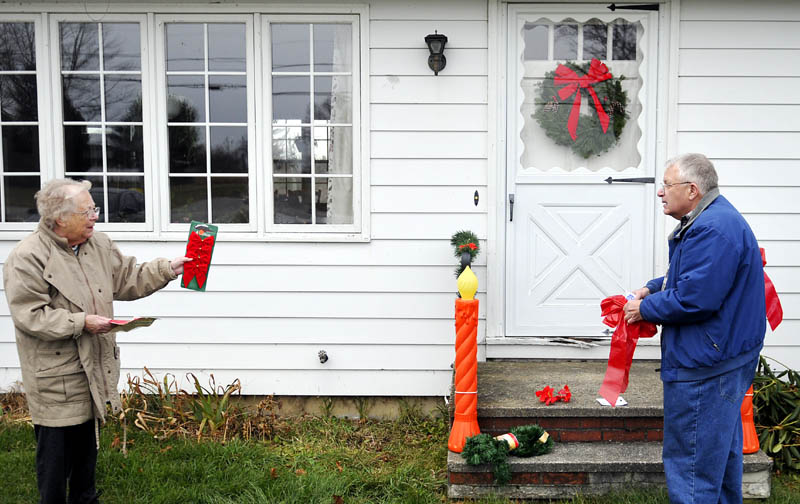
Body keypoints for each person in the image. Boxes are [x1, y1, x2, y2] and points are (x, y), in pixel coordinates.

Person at [3, 179, 191, 504]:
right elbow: (30, 316)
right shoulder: (27, 257)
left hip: (94, 371)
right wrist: (82, 322)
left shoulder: (97, 244)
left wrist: (168, 269)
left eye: (95, 209)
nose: (95, 217)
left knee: (85, 468)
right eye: (88, 211)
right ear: (60, 219)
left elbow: (128, 278)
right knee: (54, 472)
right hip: (56, 378)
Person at [623, 153, 766, 503]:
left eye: (667, 185)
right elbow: (700, 275)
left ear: (692, 189)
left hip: (706, 365)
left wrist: (644, 309)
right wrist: (655, 288)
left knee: (692, 467)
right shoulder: (713, 219)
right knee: (718, 458)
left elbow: (695, 298)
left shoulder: (712, 228)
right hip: (724, 356)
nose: (660, 192)